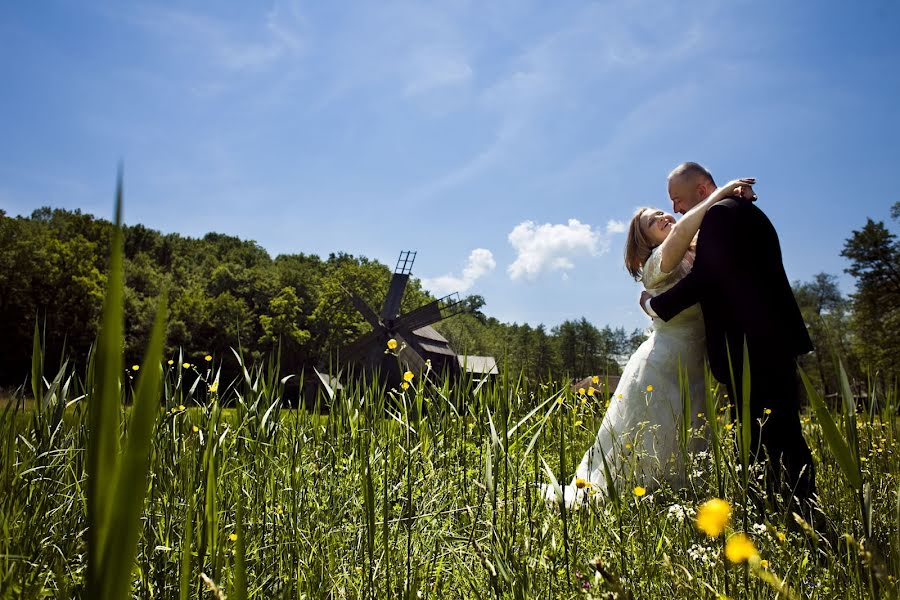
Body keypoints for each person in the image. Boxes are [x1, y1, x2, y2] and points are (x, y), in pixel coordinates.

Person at [545, 176, 756, 507]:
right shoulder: (657, 261)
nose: (663, 217)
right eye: (652, 221)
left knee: (684, 433)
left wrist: (736, 199)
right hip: (664, 360)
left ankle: (679, 497)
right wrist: (723, 191)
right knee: (651, 432)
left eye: (662, 212)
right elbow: (689, 224)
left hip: (694, 362)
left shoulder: (694, 249)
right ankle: (638, 496)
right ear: (646, 239)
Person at [643, 162, 816, 508]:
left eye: (677, 199)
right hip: (771, 339)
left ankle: (778, 510)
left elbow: (707, 278)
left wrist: (656, 306)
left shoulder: (720, 216)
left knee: (761, 434)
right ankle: (798, 507)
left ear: (703, 191)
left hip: (749, 344)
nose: (676, 209)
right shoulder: (747, 211)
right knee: (782, 430)